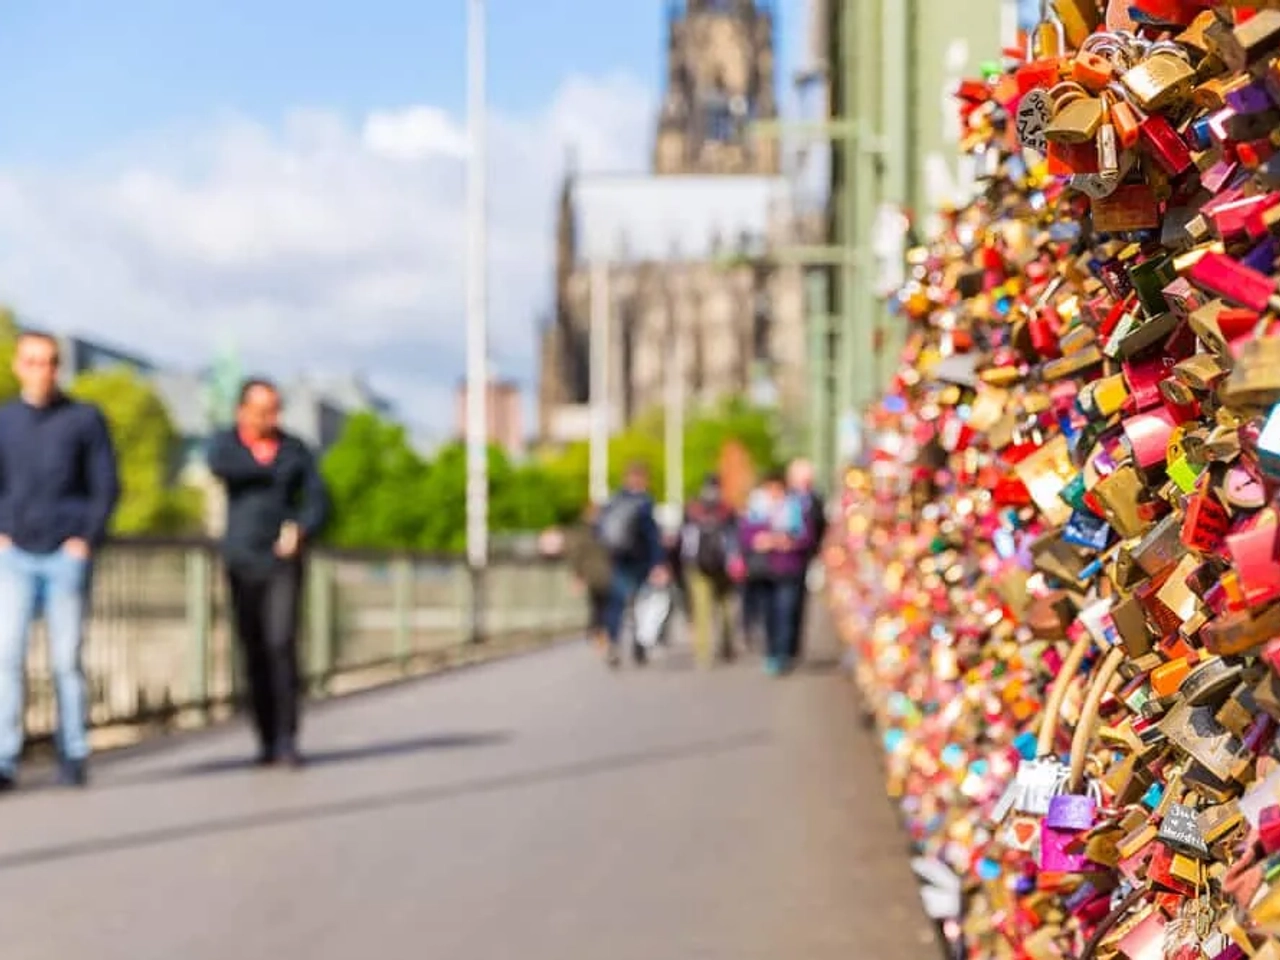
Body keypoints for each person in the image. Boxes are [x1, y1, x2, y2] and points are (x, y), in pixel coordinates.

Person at [0, 332, 119, 790]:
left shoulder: (84, 419)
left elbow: (105, 485)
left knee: (66, 660)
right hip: (14, 554)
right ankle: (5, 758)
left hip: (65, 554)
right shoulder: (5, 420)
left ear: (59, 367)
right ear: (18, 366)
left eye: (48, 361)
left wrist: (85, 539)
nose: (41, 370)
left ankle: (73, 753)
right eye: (32, 361)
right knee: (7, 657)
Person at [208, 379, 328, 768]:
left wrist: (301, 528)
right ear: (242, 411)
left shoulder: (295, 449)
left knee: (281, 642)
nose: (269, 418)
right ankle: (264, 737)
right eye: (261, 411)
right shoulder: (226, 445)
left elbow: (319, 498)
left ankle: (287, 737)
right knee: (254, 648)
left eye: (275, 410)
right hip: (242, 560)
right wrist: (266, 468)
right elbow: (221, 466)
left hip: (282, 560)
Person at [738, 471, 814, 676]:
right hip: (764, 571)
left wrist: (786, 542)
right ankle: (772, 652)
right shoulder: (756, 511)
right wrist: (761, 540)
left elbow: (807, 538)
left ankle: (783, 653)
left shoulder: (795, 508)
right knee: (769, 615)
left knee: (785, 612)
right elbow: (745, 536)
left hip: (788, 569)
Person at [595, 462, 664, 667]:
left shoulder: (613, 501)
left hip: (617, 560)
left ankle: (614, 643)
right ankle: (638, 645)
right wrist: (658, 563)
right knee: (642, 605)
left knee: (617, 604)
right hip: (640, 562)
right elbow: (652, 536)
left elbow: (599, 532)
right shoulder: (644, 502)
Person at [679, 474, 742, 668]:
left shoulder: (693, 509)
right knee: (723, 608)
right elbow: (734, 537)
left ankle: (704, 653)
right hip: (718, 566)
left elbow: (684, 539)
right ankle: (723, 647)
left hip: (699, 566)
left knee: (703, 610)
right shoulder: (726, 509)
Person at [786, 458, 827, 660]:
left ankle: (793, 645)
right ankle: (783, 645)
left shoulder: (815, 499)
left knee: (798, 601)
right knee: (784, 603)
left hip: (804, 556)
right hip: (782, 558)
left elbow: (821, 526)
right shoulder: (785, 498)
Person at [564, 502, 613, 651]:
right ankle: (599, 633)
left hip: (603, 574)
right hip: (596, 575)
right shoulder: (594, 531)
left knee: (603, 606)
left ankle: (599, 633)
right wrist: (578, 576)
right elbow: (576, 555)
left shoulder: (601, 531)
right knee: (598, 606)